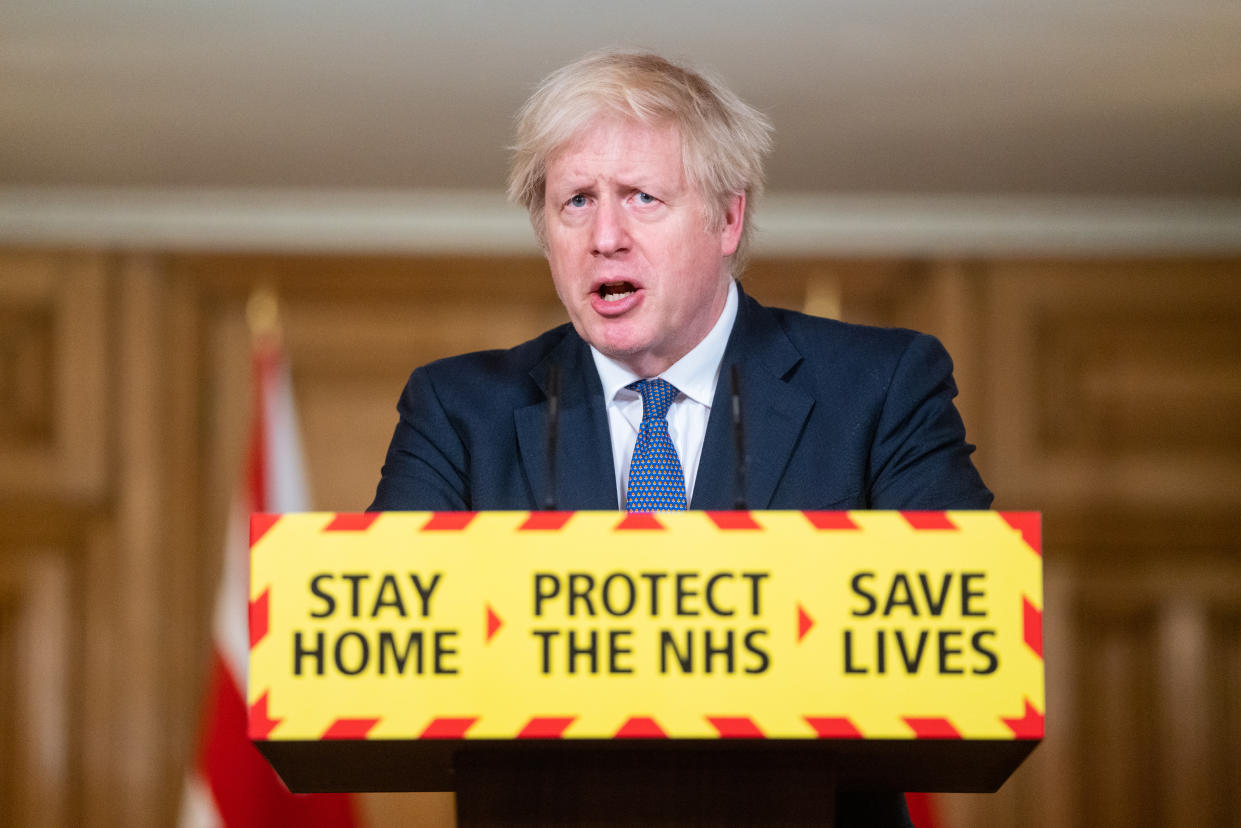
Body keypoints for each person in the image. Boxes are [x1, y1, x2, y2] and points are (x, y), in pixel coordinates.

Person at [371, 49, 991, 826]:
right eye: (575, 202)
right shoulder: (459, 409)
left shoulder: (879, 384)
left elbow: (965, 633)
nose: (605, 236)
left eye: (640, 197)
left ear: (727, 218)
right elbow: (386, 652)